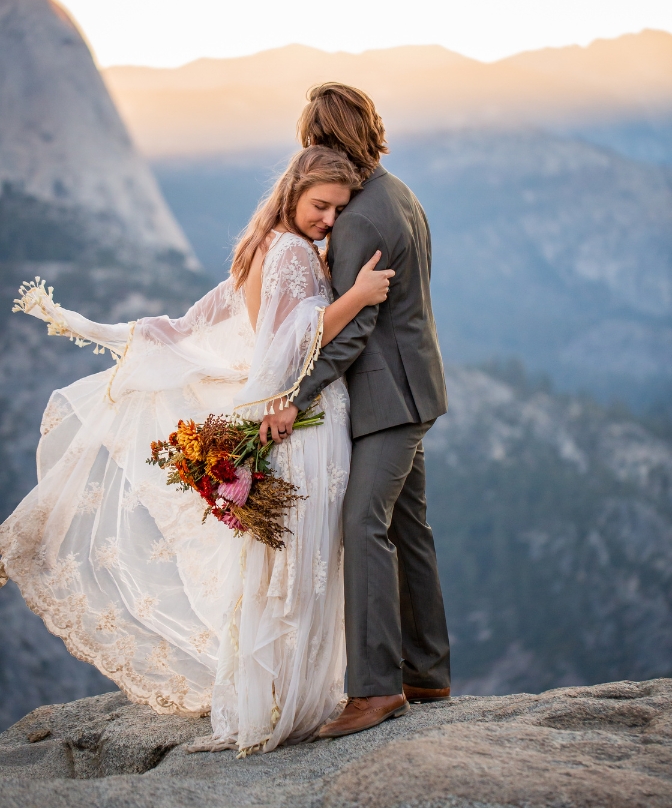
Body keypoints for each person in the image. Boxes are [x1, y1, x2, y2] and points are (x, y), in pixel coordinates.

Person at [0, 146, 394, 756]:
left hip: (294, 419)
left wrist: (106, 331)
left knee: (287, 563)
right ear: (292, 193)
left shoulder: (261, 245)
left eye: (339, 210)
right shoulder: (289, 250)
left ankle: (272, 697)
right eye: (321, 206)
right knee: (306, 559)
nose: (329, 221)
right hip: (308, 420)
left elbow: (187, 324)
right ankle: (287, 703)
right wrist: (359, 297)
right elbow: (290, 350)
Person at [263, 83, 451, 738]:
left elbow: (350, 332)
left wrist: (296, 396)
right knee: (409, 528)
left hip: (386, 397)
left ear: (325, 138)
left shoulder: (360, 217)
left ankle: (374, 689)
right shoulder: (396, 190)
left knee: (362, 522)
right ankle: (426, 669)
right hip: (417, 385)